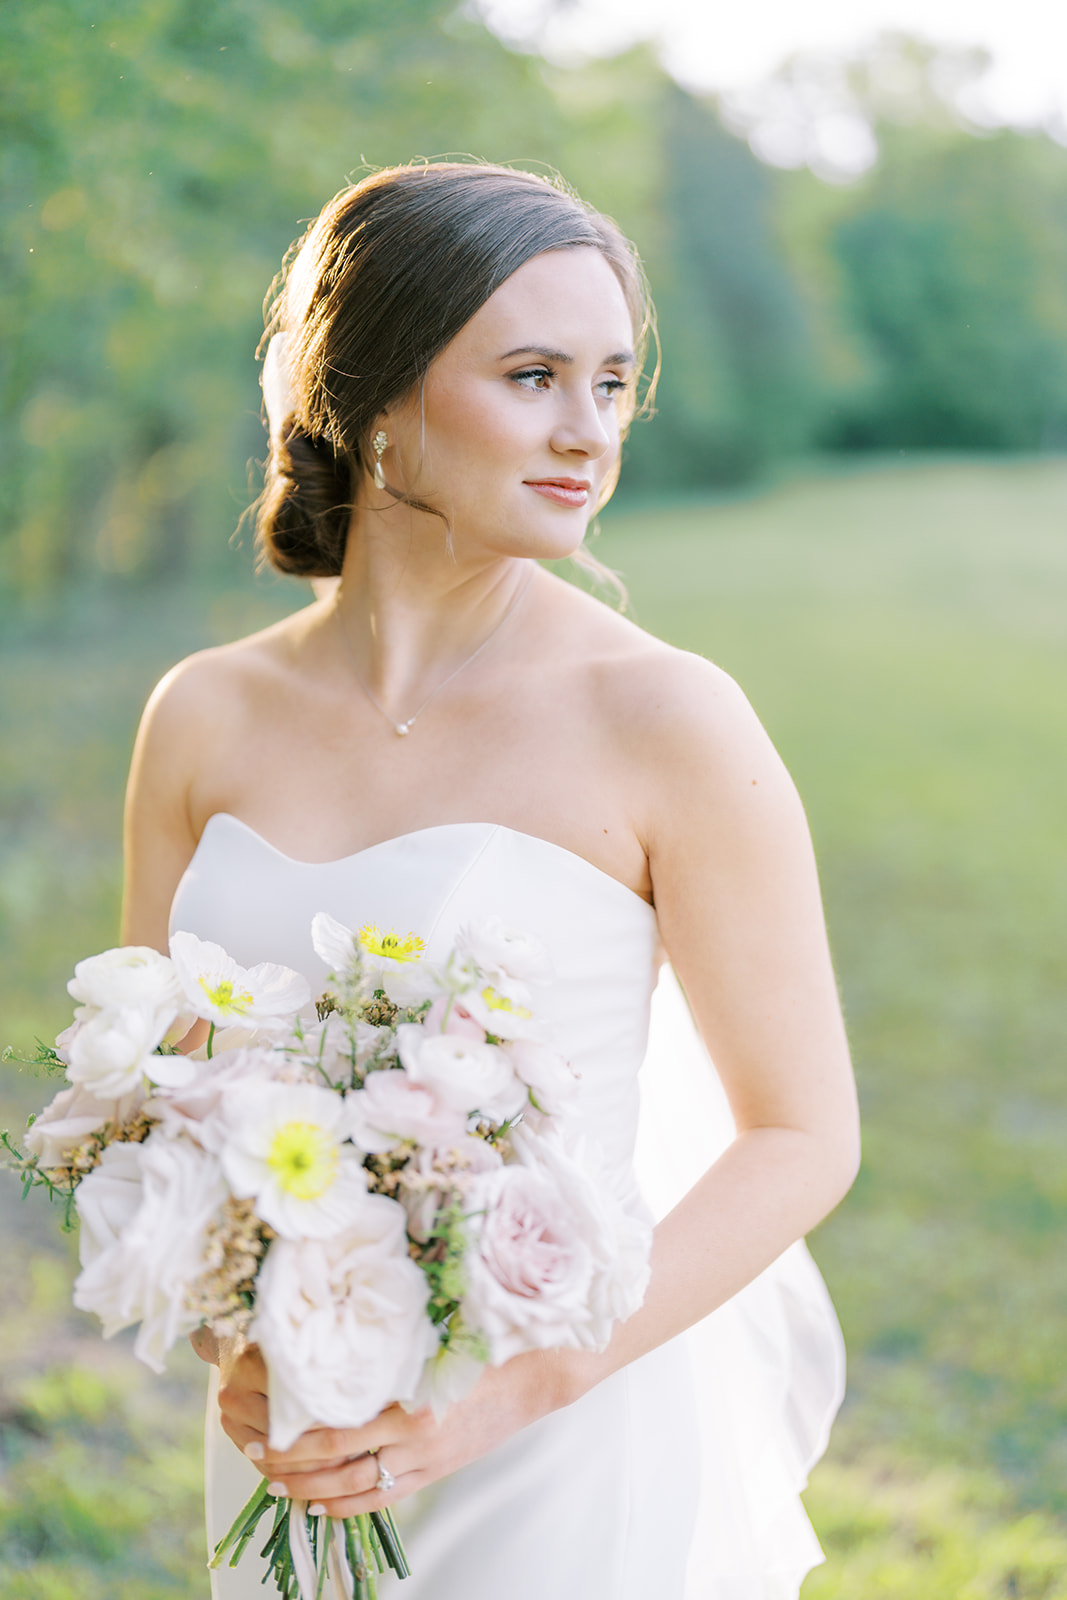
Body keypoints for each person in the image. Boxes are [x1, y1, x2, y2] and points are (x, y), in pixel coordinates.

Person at [121, 161, 860, 1599]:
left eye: (610, 384)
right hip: (303, 1429)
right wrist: (239, 1343)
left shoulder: (670, 722)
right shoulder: (199, 717)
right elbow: (167, 1097)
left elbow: (800, 1138)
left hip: (565, 1431)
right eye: (532, 376)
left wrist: (501, 1397)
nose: (589, 433)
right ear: (374, 392)